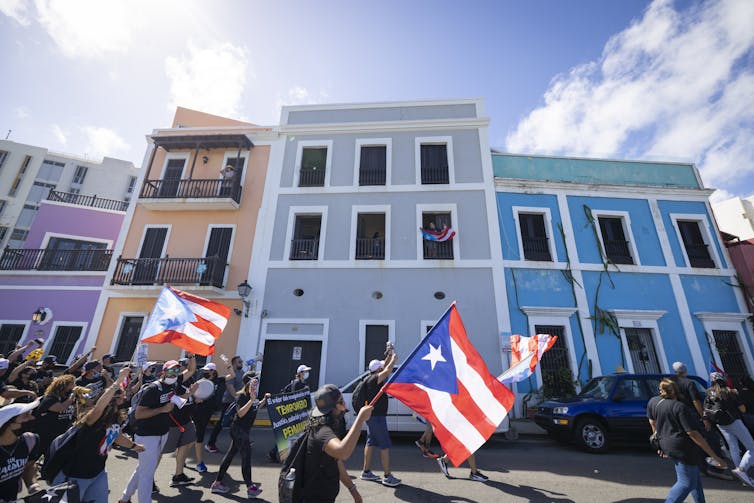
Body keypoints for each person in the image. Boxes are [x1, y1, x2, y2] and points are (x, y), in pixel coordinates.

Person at [54, 367, 144, 502]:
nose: (125, 397)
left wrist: (134, 446)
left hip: (98, 472)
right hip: (76, 473)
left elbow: (117, 436)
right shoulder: (94, 417)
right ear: (111, 399)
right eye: (121, 396)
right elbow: (99, 407)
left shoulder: (115, 416)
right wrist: (117, 382)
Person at [647, 378, 728, 503]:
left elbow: (652, 422)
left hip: (667, 445)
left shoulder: (653, 401)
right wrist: (715, 457)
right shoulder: (679, 407)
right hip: (683, 449)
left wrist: (659, 443)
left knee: (693, 478)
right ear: (676, 391)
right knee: (686, 483)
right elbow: (693, 433)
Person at [119, 360, 184, 503]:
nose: (174, 374)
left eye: (177, 371)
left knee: (143, 469)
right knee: (147, 475)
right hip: (147, 436)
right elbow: (139, 414)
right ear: (164, 372)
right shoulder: (153, 389)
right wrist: (162, 409)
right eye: (171, 370)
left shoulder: (172, 386)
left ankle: (125, 498)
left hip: (162, 433)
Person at [301, 384, 373, 503]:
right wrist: (360, 419)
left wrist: (353, 490)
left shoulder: (324, 425)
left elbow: (336, 461)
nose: (344, 405)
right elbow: (342, 453)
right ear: (330, 408)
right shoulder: (322, 431)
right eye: (340, 402)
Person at [211, 371, 269, 497]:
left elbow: (255, 407)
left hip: (243, 430)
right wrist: (251, 400)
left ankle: (217, 483)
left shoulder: (252, 395)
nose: (257, 383)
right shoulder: (242, 396)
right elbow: (240, 413)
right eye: (255, 381)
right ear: (248, 382)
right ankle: (250, 488)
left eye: (257, 381)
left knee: (230, 456)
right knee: (246, 457)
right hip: (238, 430)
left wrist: (264, 399)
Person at [671, 361, 728, 479]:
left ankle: (699, 467)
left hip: (677, 414)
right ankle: (715, 467)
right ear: (685, 370)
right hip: (692, 415)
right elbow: (696, 401)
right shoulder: (689, 383)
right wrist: (704, 417)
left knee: (692, 441)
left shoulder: (671, 382)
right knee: (710, 439)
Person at [704, 372, 754, 486]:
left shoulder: (708, 393)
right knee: (752, 447)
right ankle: (741, 470)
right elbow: (743, 410)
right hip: (734, 421)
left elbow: (705, 409)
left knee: (733, 447)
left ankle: (742, 475)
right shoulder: (729, 391)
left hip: (721, 424)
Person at [360, 351, 401, 487]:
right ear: (378, 369)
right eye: (381, 367)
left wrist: (388, 355)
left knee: (370, 442)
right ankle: (387, 476)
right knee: (384, 445)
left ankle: (366, 472)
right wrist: (394, 360)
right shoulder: (375, 379)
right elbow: (388, 369)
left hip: (373, 417)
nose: (383, 368)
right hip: (377, 418)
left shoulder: (371, 377)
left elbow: (384, 365)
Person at [192, 362, 233, 471]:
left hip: (209, 411)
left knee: (194, 437)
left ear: (213, 372)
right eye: (204, 370)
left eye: (207, 370)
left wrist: (228, 365)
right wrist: (195, 398)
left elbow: (232, 375)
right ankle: (199, 463)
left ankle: (181, 457)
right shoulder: (200, 381)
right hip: (199, 411)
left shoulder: (219, 380)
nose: (205, 372)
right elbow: (191, 393)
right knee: (199, 437)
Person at [0, 399, 42, 501]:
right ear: (10, 424)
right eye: (26, 416)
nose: (32, 417)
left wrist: (33, 486)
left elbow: (29, 466)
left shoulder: (30, 440)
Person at [207, 355, 244, 453]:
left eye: (241, 361)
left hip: (237, 402)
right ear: (234, 364)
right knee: (221, 424)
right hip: (229, 402)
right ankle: (210, 443)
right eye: (239, 362)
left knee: (240, 422)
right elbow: (229, 386)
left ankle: (242, 441)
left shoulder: (241, 372)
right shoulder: (232, 374)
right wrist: (236, 397)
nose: (241, 363)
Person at [35, 374, 76, 460]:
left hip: (59, 435)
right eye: (72, 384)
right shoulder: (50, 399)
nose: (74, 387)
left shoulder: (68, 399)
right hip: (45, 436)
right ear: (63, 386)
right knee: (34, 458)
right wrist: (72, 396)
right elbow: (61, 408)